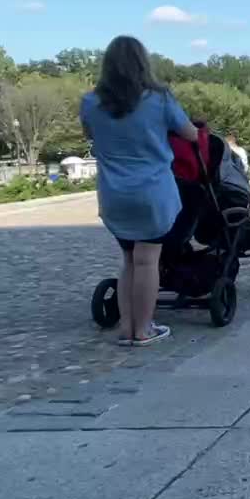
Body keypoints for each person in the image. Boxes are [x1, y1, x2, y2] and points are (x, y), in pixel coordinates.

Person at [80, 35, 197, 347]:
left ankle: (126, 327)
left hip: (113, 194)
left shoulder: (90, 103)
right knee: (147, 261)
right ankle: (144, 329)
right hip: (151, 192)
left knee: (128, 260)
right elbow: (191, 134)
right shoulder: (159, 99)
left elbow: (91, 133)